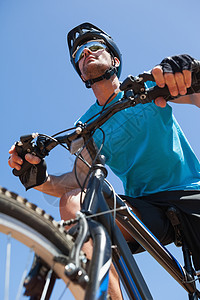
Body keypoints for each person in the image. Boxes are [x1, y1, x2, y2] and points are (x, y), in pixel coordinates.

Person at [8, 23, 200, 299]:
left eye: (94, 47)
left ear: (115, 60)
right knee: (75, 203)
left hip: (191, 191)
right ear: (81, 74)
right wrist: (38, 179)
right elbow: (79, 179)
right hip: (146, 208)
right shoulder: (85, 125)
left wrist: (190, 76)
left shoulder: (149, 86)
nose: (85, 53)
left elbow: (195, 97)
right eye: (79, 55)